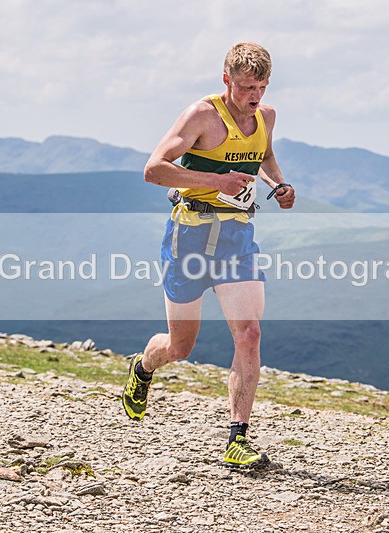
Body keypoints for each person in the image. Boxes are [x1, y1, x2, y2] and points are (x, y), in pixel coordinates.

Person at [122, 41, 295, 468]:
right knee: (181, 346)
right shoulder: (202, 115)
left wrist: (279, 184)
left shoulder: (266, 117)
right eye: (244, 87)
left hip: (237, 236)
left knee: (249, 333)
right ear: (226, 81)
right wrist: (213, 182)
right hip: (189, 236)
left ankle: (237, 439)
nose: (253, 96)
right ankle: (144, 368)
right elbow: (154, 169)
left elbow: (265, 155)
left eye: (260, 87)